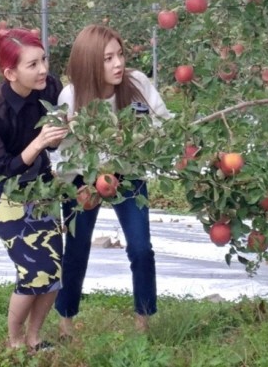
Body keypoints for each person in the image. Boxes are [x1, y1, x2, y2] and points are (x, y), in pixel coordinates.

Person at [53, 24, 172, 337]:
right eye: (108, 58)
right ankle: (66, 323)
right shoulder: (72, 96)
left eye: (120, 54)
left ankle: (143, 324)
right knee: (76, 249)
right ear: (90, 62)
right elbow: (61, 151)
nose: (118, 63)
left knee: (141, 247)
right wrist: (74, 186)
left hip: (128, 171)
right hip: (84, 174)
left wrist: (141, 137)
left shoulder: (135, 84)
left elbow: (162, 122)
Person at [0, 28, 68, 351]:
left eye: (43, 60)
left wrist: (61, 136)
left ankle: (35, 338)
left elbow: (65, 127)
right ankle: (15, 343)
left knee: (53, 266)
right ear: (10, 72)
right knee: (32, 269)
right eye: (32, 65)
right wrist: (39, 142)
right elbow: (3, 168)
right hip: (2, 189)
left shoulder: (51, 87)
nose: (43, 69)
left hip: (40, 182)